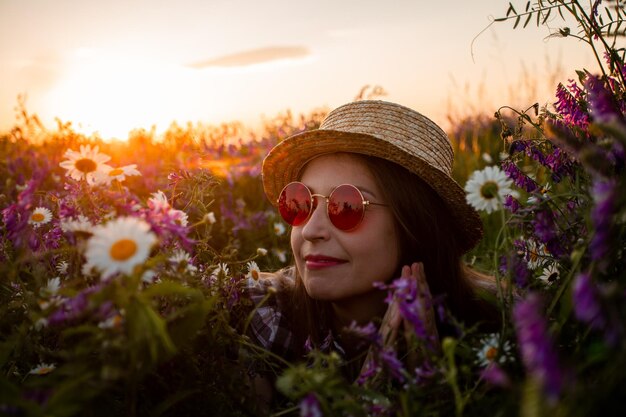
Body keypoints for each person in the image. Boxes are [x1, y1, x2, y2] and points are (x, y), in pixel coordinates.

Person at [244, 100, 498, 409]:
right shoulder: (262, 312)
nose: (311, 230)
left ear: (413, 226)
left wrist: (434, 400)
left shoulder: (491, 331)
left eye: (347, 206)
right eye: (301, 202)